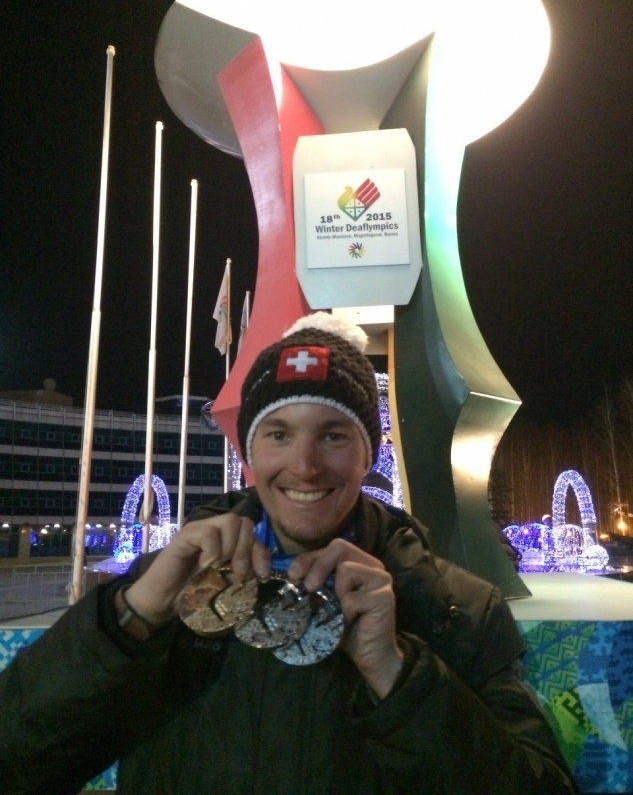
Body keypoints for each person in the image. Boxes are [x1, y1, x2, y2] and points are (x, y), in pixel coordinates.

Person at [0, 312, 577, 795]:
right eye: (278, 434)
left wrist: (397, 674)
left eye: (333, 435)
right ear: (250, 453)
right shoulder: (166, 591)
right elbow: (19, 761)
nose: (304, 466)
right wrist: (130, 617)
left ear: (367, 453)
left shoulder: (457, 609)